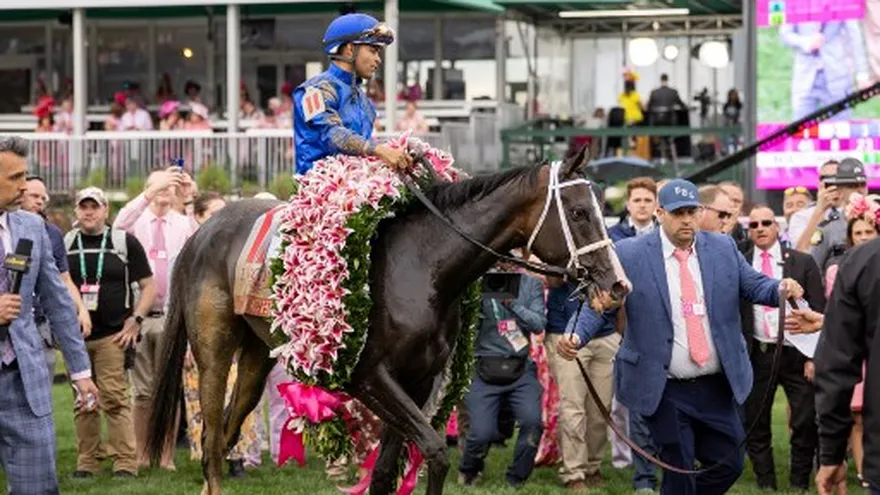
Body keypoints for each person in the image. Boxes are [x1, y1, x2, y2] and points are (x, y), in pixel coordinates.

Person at [557, 179, 804, 495]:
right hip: (664, 386)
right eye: (678, 213)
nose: (687, 219)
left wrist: (780, 289)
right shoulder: (629, 253)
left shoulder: (723, 247)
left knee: (729, 464)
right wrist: (576, 335)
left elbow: (754, 285)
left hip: (716, 385)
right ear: (660, 213)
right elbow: (602, 301)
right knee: (680, 465)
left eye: (692, 211)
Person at [0, 136, 99, 494]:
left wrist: (80, 370)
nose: (24, 186)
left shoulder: (32, 226)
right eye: (14, 178)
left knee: (39, 488)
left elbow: (58, 303)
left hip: (25, 383)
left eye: (24, 176)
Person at [66, 187, 156, 478]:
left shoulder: (124, 242)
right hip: (76, 340)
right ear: (76, 211)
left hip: (113, 336)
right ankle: (87, 461)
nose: (89, 212)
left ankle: (125, 462)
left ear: (106, 210)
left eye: (94, 206)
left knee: (115, 399)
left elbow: (149, 287)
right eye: (83, 207)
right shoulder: (65, 244)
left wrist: (136, 320)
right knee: (84, 402)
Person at [113, 169, 197, 469]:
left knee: (169, 389)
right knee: (142, 391)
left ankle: (166, 456)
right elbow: (118, 226)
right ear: (148, 190)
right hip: (138, 317)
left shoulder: (182, 223)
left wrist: (188, 199)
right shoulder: (136, 221)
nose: (164, 191)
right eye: (157, 187)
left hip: (172, 317)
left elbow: (202, 242)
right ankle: (141, 453)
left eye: (168, 186)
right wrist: (151, 192)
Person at [739, 205, 825, 491]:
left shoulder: (801, 262)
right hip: (757, 353)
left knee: (804, 422)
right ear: (748, 230)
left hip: (797, 354)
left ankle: (799, 483)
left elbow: (819, 309)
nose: (760, 228)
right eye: (754, 225)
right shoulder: (739, 261)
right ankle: (766, 485)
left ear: (777, 227)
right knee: (756, 422)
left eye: (766, 222)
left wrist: (814, 356)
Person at [786, 237, 880, 495]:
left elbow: (836, 365)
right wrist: (832, 450)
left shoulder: (863, 261)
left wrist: (831, 453)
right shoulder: (863, 261)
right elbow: (837, 363)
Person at [458, 261, 547, 489]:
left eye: (510, 256)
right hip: (482, 366)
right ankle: (469, 469)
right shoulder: (474, 282)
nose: (504, 263)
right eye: (499, 258)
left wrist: (512, 303)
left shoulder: (530, 284)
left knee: (533, 422)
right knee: (481, 433)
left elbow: (538, 324)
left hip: (520, 368)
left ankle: (516, 479)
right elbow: (460, 324)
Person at [293, 13, 412, 175]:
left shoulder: (365, 102)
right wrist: (380, 150)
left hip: (359, 186)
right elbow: (331, 134)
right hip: (319, 189)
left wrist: (403, 150)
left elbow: (365, 146)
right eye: (373, 50)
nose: (378, 60)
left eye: (378, 53)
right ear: (350, 50)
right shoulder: (315, 91)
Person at [20, 176, 92, 379]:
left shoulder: (51, 233)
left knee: (42, 383)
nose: (39, 201)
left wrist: (81, 309)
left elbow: (64, 279)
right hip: (12, 317)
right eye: (34, 196)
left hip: (41, 321)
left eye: (43, 198)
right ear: (20, 194)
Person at [806, 158, 868, 274]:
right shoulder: (827, 229)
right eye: (852, 185)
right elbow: (814, 271)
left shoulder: (876, 223)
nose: (859, 190)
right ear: (839, 191)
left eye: (862, 184)